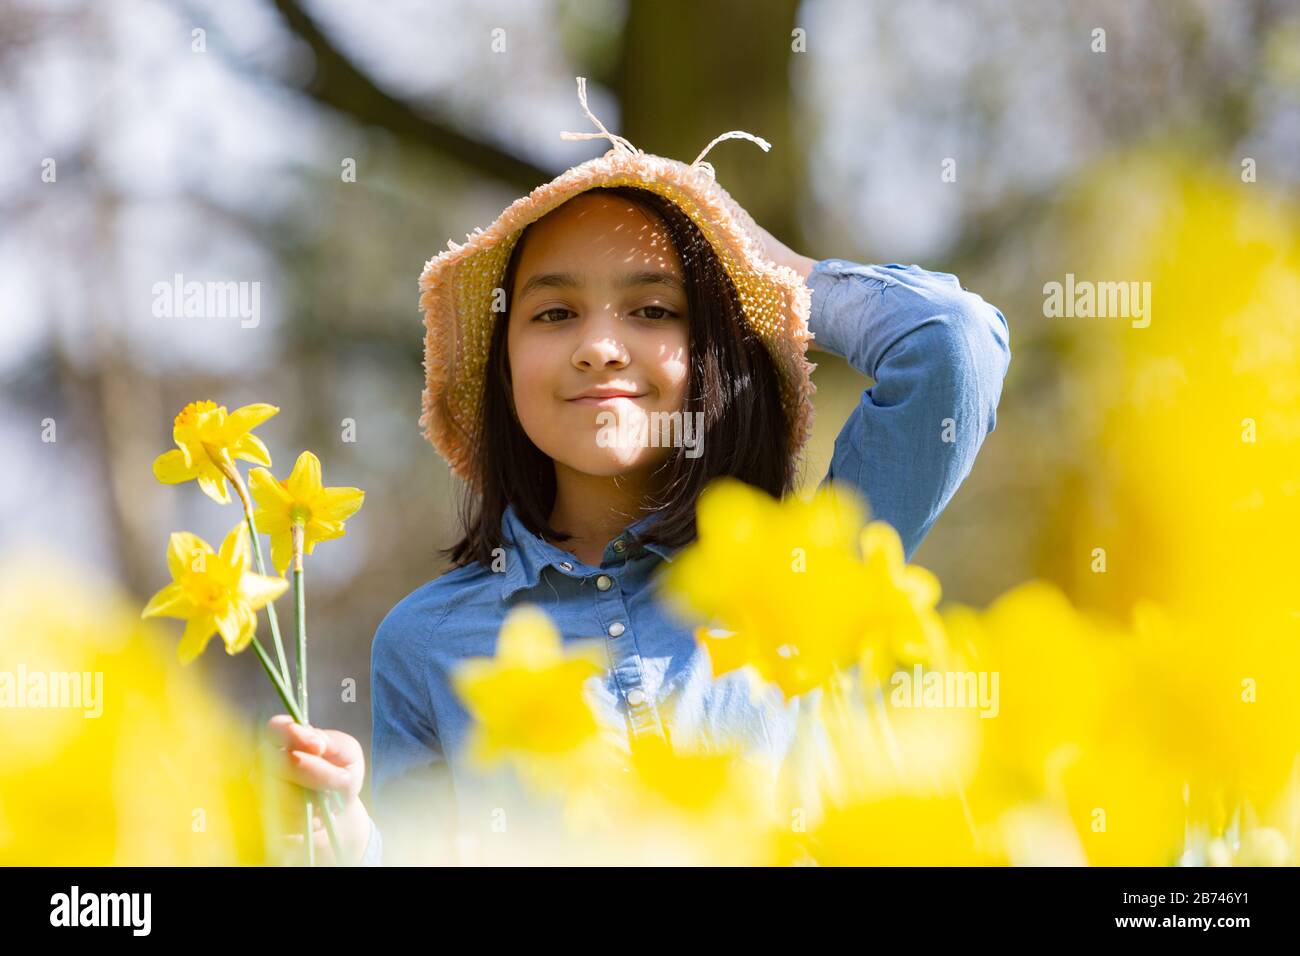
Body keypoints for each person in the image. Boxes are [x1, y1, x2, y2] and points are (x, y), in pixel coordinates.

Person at [265, 78, 1011, 866]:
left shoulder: (809, 572)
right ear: (501, 366)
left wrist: (775, 274)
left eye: (654, 309)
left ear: (712, 353)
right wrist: (350, 842)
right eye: (554, 314)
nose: (599, 346)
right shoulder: (423, 644)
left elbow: (952, 344)